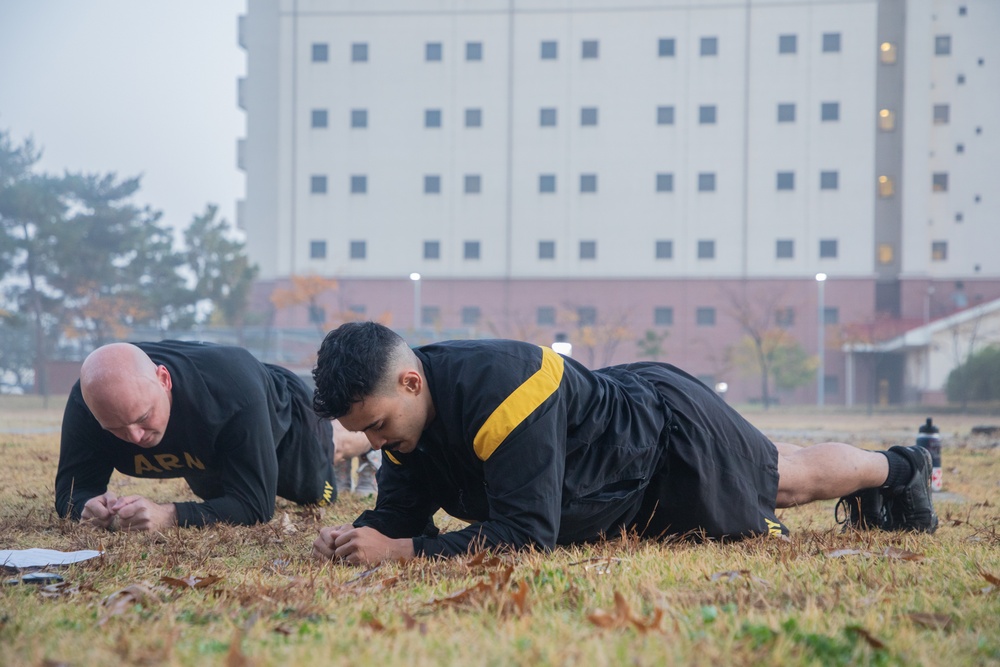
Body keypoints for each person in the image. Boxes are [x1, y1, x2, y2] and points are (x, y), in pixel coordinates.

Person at [310, 322, 937, 566]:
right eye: (362, 430)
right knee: (782, 473)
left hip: (667, 432)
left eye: (376, 424)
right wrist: (357, 535)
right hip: (614, 466)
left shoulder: (504, 390)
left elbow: (527, 534)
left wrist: (403, 553)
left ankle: (902, 469)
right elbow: (397, 514)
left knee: (785, 479)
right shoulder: (405, 421)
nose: (370, 442)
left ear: (411, 381)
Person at [56, 340, 337, 531]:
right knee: (215, 493)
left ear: (164, 380)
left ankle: (355, 437)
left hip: (285, 417)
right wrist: (86, 506)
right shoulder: (87, 403)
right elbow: (72, 491)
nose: (135, 436)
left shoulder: (232, 393)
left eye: (143, 418)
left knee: (315, 493)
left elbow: (256, 507)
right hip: (213, 444)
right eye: (115, 429)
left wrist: (168, 515)